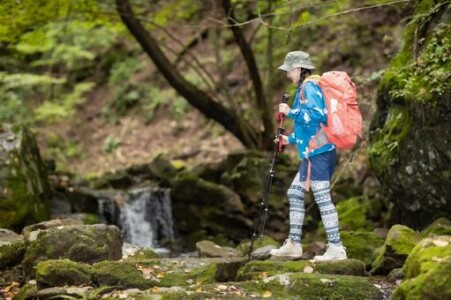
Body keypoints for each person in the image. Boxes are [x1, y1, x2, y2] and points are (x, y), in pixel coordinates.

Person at [269, 51, 347, 261]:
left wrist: (290, 111)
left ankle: (337, 248)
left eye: (289, 70)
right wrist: (288, 140)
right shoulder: (305, 88)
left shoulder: (310, 87)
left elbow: (317, 115)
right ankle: (294, 244)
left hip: (320, 154)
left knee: (322, 198)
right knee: (294, 193)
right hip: (313, 153)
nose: (287, 75)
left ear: (299, 69)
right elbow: (308, 128)